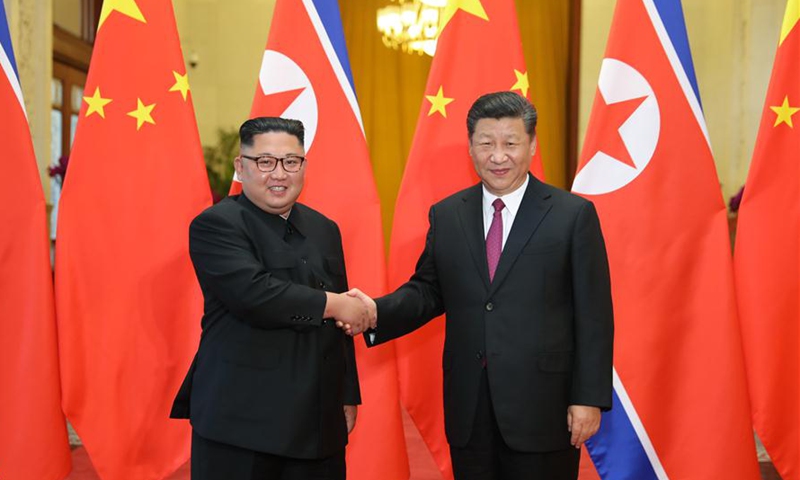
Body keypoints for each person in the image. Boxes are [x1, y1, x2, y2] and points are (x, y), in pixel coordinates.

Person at [343, 92, 614, 480]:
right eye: (486, 143)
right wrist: (374, 312)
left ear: (532, 145)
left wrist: (588, 398)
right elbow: (428, 291)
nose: (498, 156)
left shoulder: (572, 215)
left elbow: (594, 316)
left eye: (510, 143)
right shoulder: (448, 215)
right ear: (470, 147)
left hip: (544, 407)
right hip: (470, 407)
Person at [171, 117, 368, 480]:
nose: (279, 173)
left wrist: (346, 393)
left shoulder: (325, 229)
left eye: (291, 162)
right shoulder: (216, 225)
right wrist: (336, 304)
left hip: (317, 422)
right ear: (241, 166)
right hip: (242, 424)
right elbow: (256, 295)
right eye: (265, 161)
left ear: (303, 166)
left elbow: (341, 329)